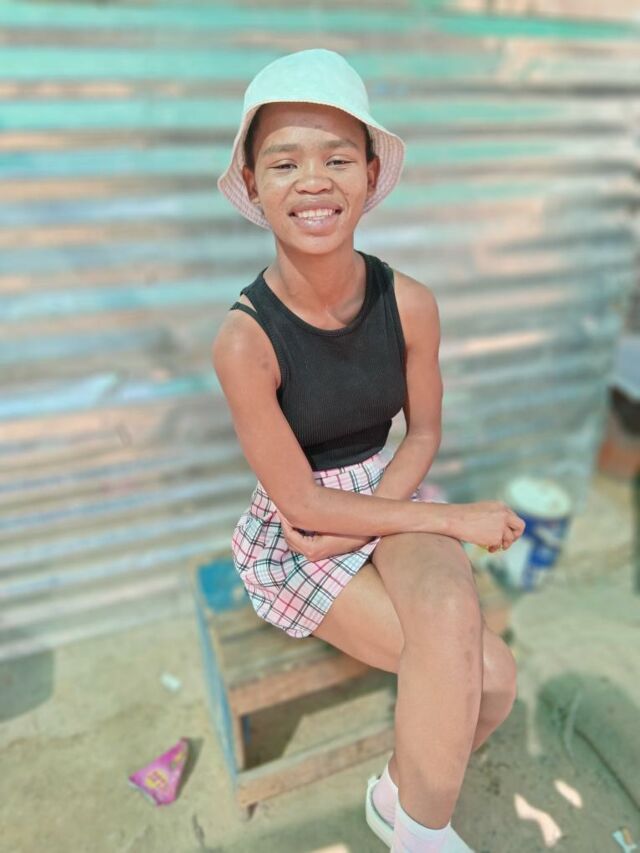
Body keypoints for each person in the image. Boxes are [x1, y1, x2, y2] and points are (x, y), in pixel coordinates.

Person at [213, 48, 525, 853]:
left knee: (474, 653)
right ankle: (415, 826)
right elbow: (303, 505)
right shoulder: (245, 341)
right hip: (301, 532)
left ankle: (403, 807)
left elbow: (422, 432)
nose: (312, 182)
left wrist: (387, 514)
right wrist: (455, 520)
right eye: (284, 162)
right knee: (487, 677)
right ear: (252, 182)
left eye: (338, 158)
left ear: (372, 171)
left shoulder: (410, 302)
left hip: (389, 488)